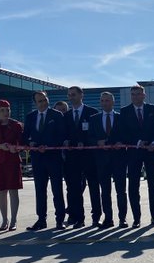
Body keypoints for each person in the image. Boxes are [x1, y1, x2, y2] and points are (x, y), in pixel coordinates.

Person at [23, 91, 66, 230]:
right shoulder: (30, 117)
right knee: (40, 191)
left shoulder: (57, 115)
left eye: (44, 100)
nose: (43, 103)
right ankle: (41, 220)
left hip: (53, 157)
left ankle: (60, 220)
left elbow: (61, 135)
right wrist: (30, 143)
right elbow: (25, 136)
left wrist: (48, 146)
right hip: (38, 159)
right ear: (35, 103)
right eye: (40, 101)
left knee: (57, 190)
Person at [119, 85, 154, 228]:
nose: (135, 96)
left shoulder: (152, 109)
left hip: (151, 152)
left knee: (153, 186)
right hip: (134, 153)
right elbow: (123, 132)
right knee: (133, 186)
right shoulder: (125, 111)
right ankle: (136, 218)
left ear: (144, 95)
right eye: (133, 94)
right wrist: (137, 142)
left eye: (138, 94)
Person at [88, 91, 128, 229]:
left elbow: (128, 135)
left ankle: (122, 219)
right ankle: (108, 218)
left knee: (121, 191)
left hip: (119, 159)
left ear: (113, 102)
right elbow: (89, 137)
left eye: (107, 100)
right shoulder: (94, 119)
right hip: (101, 160)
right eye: (102, 101)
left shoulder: (121, 118)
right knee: (105, 192)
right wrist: (97, 142)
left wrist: (121, 142)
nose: (105, 103)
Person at [63, 86, 101, 228]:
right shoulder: (66, 116)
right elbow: (64, 133)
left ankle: (96, 217)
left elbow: (96, 133)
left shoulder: (92, 113)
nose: (71, 97)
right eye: (69, 95)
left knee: (94, 187)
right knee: (75, 189)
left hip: (90, 156)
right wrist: (66, 141)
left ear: (81, 95)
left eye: (73, 94)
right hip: (73, 157)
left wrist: (84, 142)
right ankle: (79, 218)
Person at [0, 99, 23, 231]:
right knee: (2, 192)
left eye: (7, 110)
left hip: (13, 162)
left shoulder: (17, 125)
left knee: (13, 191)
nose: (6, 112)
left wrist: (15, 148)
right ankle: (4, 219)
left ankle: (13, 220)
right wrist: (0, 146)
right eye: (2, 110)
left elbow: (21, 144)